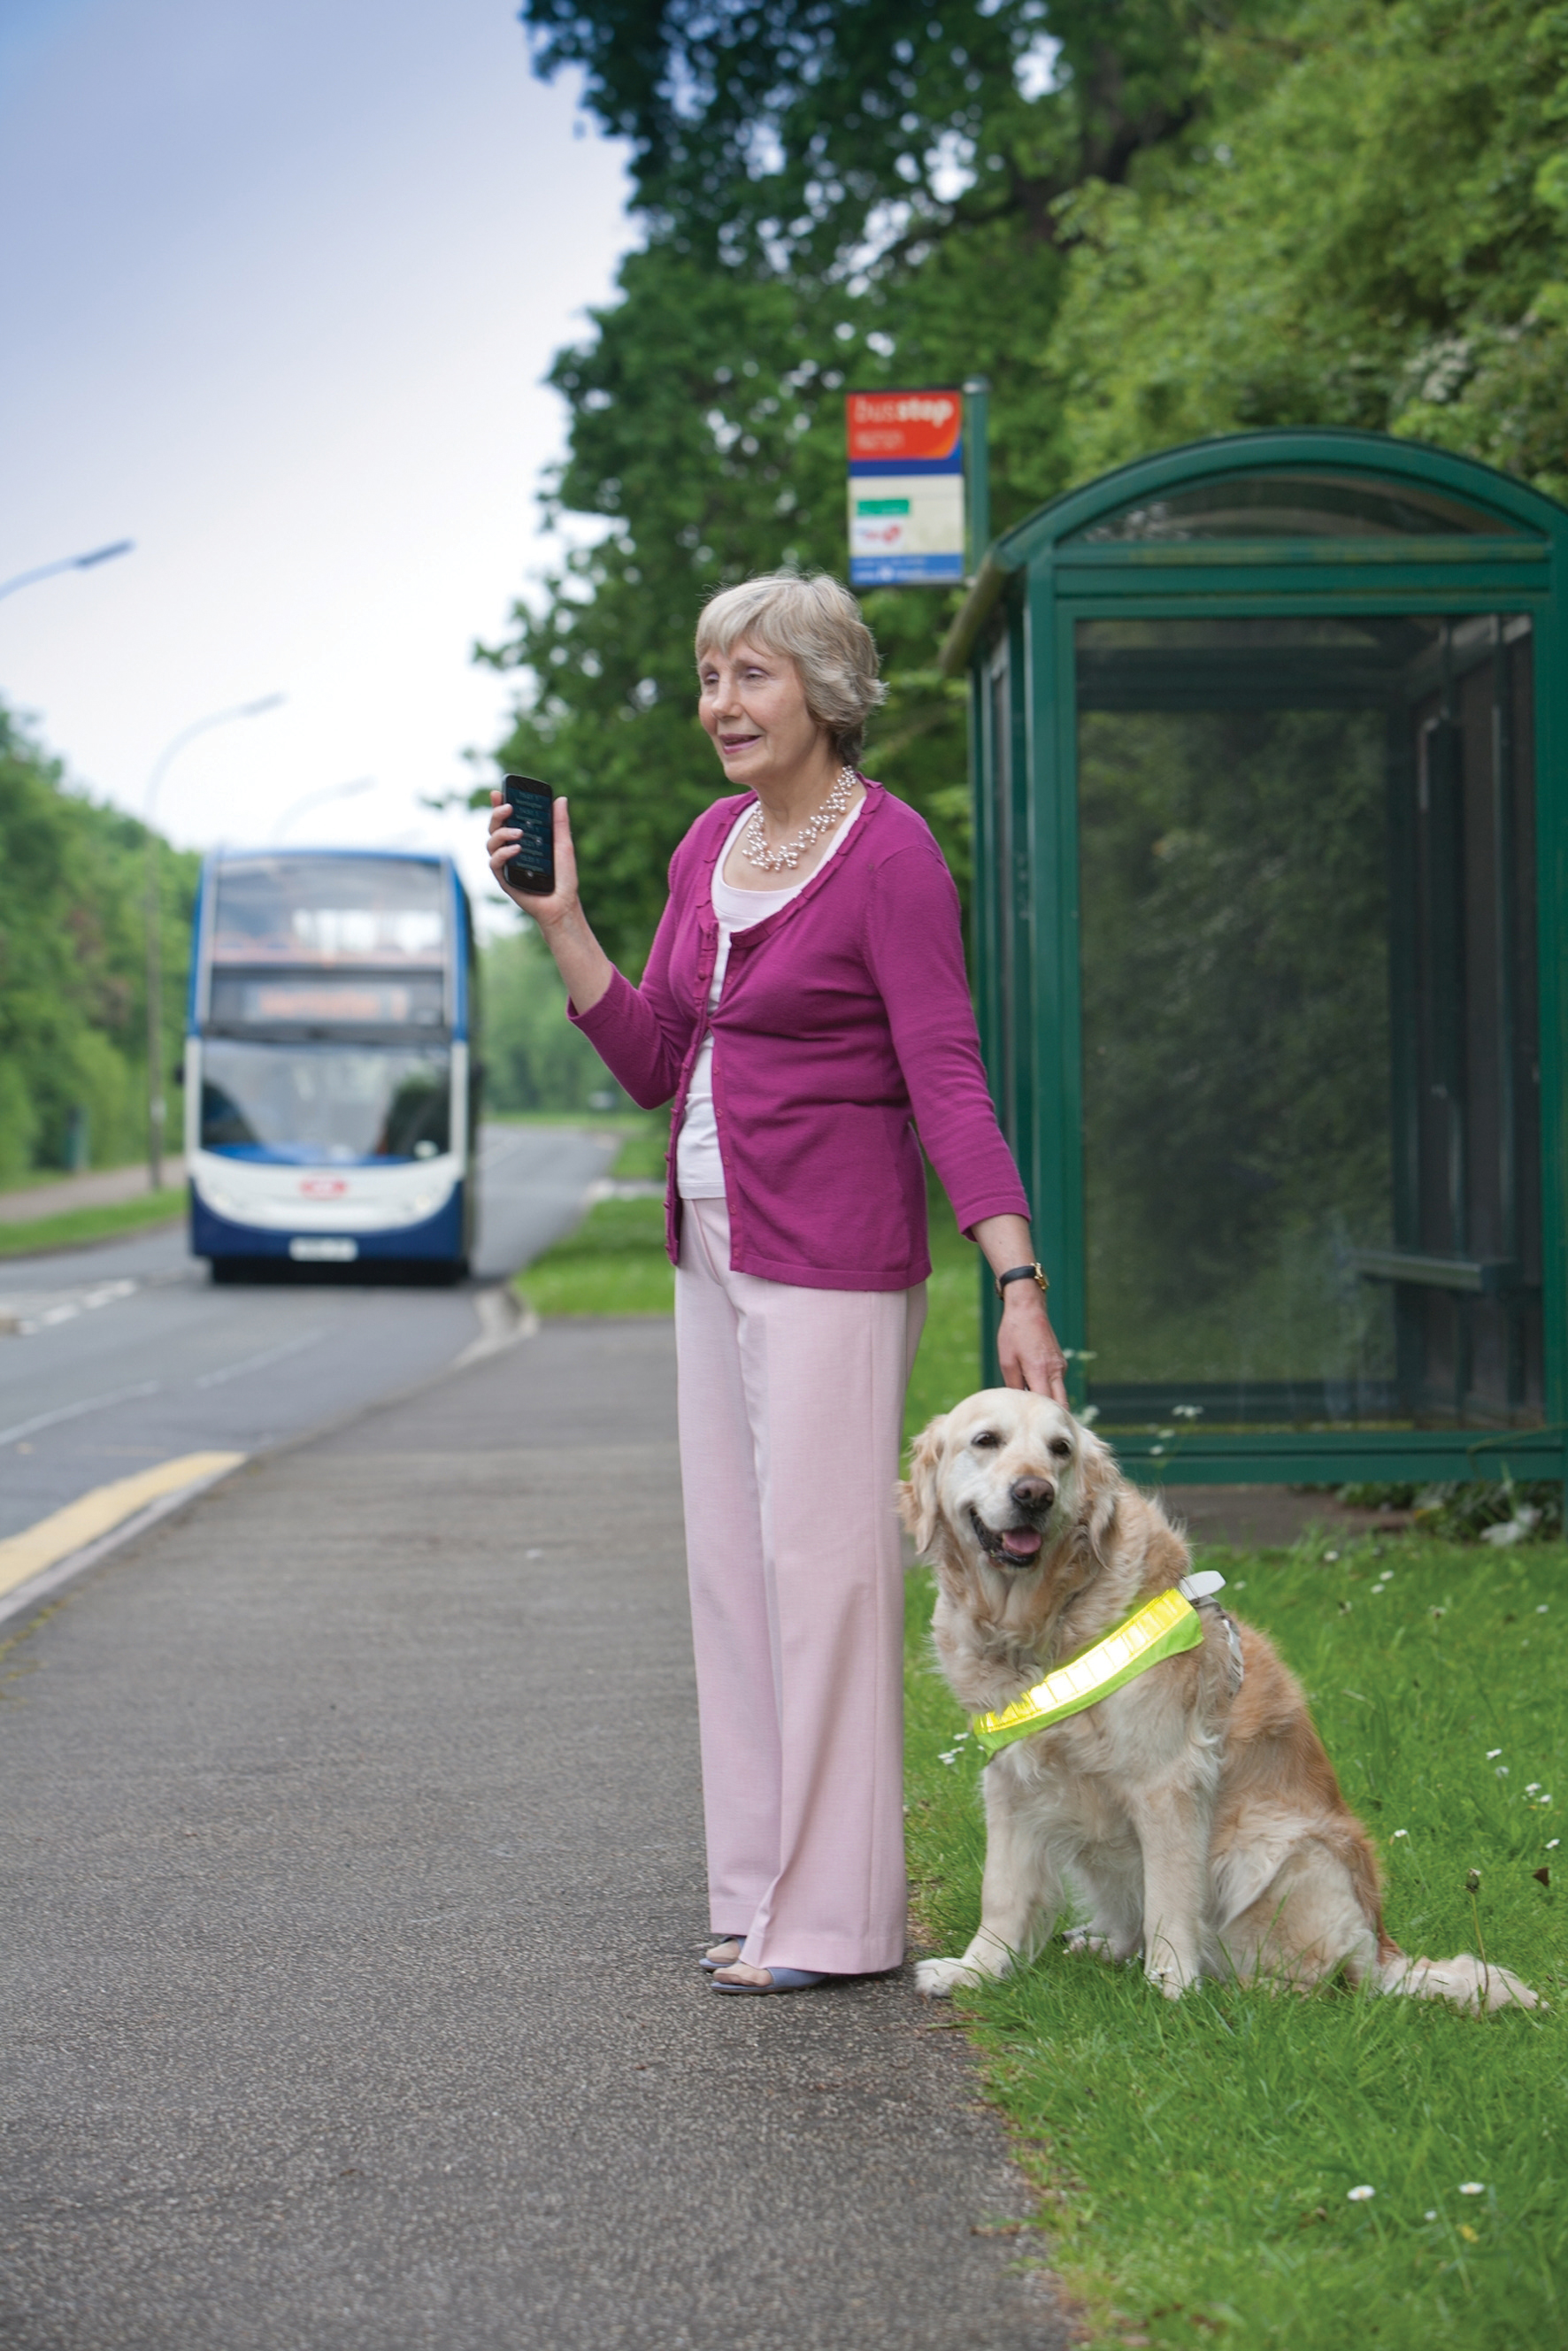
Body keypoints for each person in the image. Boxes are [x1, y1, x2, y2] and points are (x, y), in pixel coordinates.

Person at [488, 571, 1066, 1994]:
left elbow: (945, 1074)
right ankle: (757, 1892)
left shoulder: (890, 856)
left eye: (750, 675)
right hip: (713, 1247)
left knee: (824, 1577)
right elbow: (655, 1056)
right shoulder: (707, 847)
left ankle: (838, 1920)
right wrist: (563, 922)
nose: (720, 705)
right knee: (733, 1575)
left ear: (824, 687)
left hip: (832, 1257)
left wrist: (1018, 1274)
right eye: (708, 678)